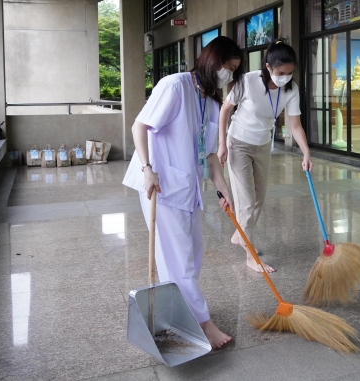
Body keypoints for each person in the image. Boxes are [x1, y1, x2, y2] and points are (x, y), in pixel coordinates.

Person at [123, 36, 243, 348]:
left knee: (192, 254)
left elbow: (211, 156)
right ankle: (202, 324)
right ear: (212, 61)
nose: (228, 75)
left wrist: (223, 190)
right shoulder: (175, 86)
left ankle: (178, 310)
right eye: (228, 68)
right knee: (178, 259)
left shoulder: (212, 102)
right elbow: (140, 127)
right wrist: (148, 168)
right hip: (160, 185)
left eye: (233, 71)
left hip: (187, 187)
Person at [218, 41, 313, 273]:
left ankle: (239, 235)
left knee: (259, 198)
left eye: (290, 73)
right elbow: (225, 110)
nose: (285, 77)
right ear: (268, 66)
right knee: (247, 201)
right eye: (281, 73)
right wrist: (222, 144)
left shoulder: (291, 89)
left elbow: (295, 125)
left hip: (262, 145)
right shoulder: (248, 81)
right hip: (238, 143)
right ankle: (251, 257)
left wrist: (306, 151)